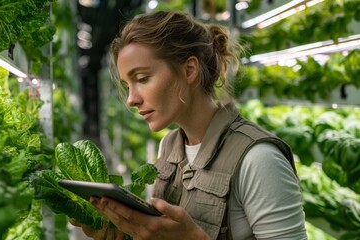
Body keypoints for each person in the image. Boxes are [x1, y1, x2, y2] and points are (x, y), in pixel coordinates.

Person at [70, 10, 307, 240]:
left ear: (189, 70)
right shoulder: (169, 146)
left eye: (142, 79)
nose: (132, 99)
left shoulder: (259, 159)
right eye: (127, 85)